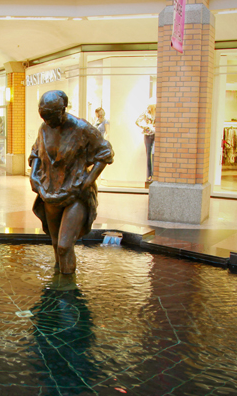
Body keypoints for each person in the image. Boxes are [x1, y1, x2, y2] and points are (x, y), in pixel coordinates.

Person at [29, 90, 114, 275]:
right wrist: (33, 175)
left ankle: (68, 288)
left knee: (64, 246)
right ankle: (58, 281)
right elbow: (36, 152)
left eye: (51, 117)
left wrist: (88, 181)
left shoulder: (81, 128)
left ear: (62, 110)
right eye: (44, 117)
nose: (47, 122)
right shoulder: (44, 129)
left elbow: (105, 152)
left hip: (75, 194)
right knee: (55, 243)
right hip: (49, 193)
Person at [135, 103, 156, 181]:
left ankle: (154, 174)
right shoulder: (146, 112)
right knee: (149, 154)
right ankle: (149, 175)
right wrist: (145, 127)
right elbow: (137, 121)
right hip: (148, 134)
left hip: (156, 133)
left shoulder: (158, 111)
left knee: (155, 154)